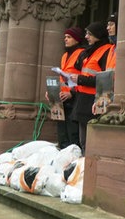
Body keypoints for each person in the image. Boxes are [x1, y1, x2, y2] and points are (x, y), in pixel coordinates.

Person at [70, 22, 113, 154]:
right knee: (83, 141)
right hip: (83, 99)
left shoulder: (106, 50)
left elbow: (105, 78)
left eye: (89, 33)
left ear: (98, 35)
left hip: (94, 100)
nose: (86, 36)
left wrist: (80, 80)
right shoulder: (89, 51)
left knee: (89, 142)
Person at [47, 26, 86, 149]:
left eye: (69, 37)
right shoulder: (64, 56)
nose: (65, 39)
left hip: (74, 98)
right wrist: (52, 92)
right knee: (62, 134)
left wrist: (72, 93)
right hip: (61, 99)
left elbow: (82, 78)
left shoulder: (82, 54)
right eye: (65, 37)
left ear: (77, 39)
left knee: (73, 134)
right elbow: (62, 78)